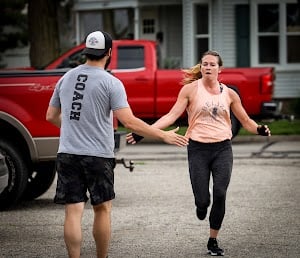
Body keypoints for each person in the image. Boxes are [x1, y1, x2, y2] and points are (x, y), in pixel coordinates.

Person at [46, 30, 188, 258]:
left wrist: (74, 128)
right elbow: (129, 121)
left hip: (67, 153)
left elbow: (51, 116)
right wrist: (163, 135)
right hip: (98, 156)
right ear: (109, 53)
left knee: (73, 211)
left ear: (86, 51)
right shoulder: (111, 82)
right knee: (102, 208)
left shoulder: (66, 78)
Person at [127, 50, 271, 256]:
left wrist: (259, 129)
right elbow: (172, 115)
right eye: (205, 64)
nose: (208, 67)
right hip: (198, 149)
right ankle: (201, 205)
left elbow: (247, 121)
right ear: (201, 67)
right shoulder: (190, 90)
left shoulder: (230, 94)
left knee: (220, 193)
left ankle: (213, 240)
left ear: (220, 69)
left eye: (212, 64)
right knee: (203, 200)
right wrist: (146, 133)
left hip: (222, 148)